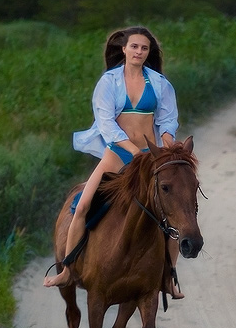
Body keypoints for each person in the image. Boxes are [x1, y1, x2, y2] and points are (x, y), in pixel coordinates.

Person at [44, 25, 185, 297]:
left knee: (173, 212)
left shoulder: (159, 83)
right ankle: (68, 270)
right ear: (124, 48)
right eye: (134, 46)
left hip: (148, 156)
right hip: (118, 154)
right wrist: (132, 151)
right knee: (83, 204)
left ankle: (167, 277)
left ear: (148, 52)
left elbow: (167, 119)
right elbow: (106, 124)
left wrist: (167, 147)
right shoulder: (109, 82)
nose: (139, 52)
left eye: (144, 48)